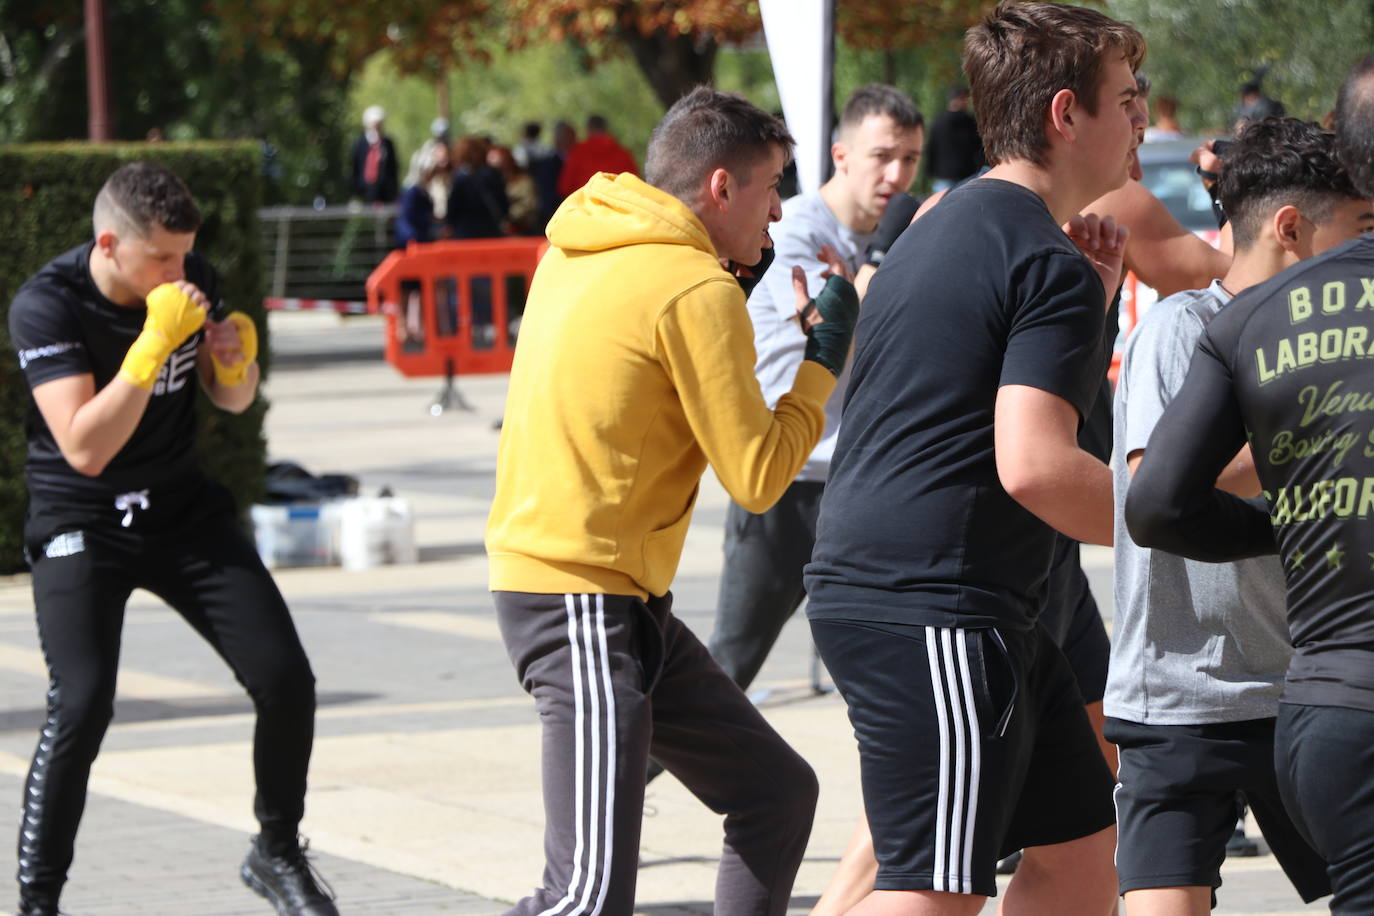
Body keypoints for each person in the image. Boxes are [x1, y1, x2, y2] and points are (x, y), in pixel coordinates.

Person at [484, 86, 860, 916]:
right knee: (583, 896)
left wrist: (748, 291)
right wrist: (823, 357)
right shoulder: (694, 288)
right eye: (769, 192)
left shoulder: (581, 245)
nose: (778, 216)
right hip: (576, 594)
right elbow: (760, 477)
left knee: (775, 795)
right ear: (721, 189)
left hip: (610, 595)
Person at [804, 3, 1146, 913]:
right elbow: (1034, 467)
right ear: (1066, 113)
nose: (1143, 118)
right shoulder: (1041, 258)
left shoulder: (946, 228)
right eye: (1127, 97)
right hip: (938, 606)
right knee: (931, 894)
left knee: (1081, 856)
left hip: (950, 599)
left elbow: (959, 406)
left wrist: (1093, 306)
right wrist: (1182, 522)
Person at [6, 163, 336, 916]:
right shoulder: (47, 306)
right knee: (82, 703)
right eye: (161, 258)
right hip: (81, 521)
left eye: (185, 256)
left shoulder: (194, 281)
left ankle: (276, 852)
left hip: (182, 511)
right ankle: (38, 901)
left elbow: (232, 396)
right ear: (109, 243)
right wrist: (152, 343)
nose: (179, 274)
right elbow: (86, 446)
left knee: (287, 679)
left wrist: (235, 365)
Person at [1127, 55, 1374, 913]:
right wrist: (1306, 482)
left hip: (1296, 680)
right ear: (1295, 227)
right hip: (1184, 690)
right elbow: (1148, 490)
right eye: (1360, 223)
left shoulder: (1295, 324)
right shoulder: (1188, 327)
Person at [704, 83, 923, 694]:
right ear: (841, 155)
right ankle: (624, 782)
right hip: (784, 476)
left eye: (910, 158)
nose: (897, 174)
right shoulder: (789, 229)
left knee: (888, 666)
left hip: (861, 481)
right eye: (882, 155)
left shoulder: (905, 235)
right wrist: (879, 259)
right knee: (729, 665)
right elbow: (828, 333)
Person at [556, 114, 638, 198]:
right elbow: (635, 183)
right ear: (605, 128)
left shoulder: (578, 153)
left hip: (587, 206)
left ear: (588, 129)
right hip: (619, 205)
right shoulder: (624, 153)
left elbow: (564, 187)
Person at [923, 85, 984, 192]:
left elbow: (931, 148)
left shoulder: (938, 121)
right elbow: (979, 150)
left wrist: (930, 171)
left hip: (943, 176)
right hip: (967, 176)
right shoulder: (970, 122)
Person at [447, 135, 508, 240]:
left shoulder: (460, 178)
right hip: (490, 231)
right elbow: (504, 203)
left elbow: (452, 208)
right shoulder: (492, 174)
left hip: (465, 233)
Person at [349, 105, 399, 204]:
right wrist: (355, 191)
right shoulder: (359, 143)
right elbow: (354, 167)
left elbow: (393, 168)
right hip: (364, 191)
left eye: (379, 124)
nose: (377, 127)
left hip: (385, 193)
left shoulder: (387, 143)